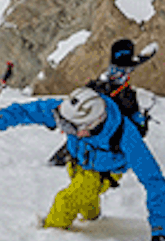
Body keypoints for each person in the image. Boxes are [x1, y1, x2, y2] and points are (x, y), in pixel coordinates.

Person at [0, 86, 165, 241]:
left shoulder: (128, 138)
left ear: (90, 126)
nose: (65, 130)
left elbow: (154, 182)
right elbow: (32, 110)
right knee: (84, 195)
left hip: (102, 174)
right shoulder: (70, 111)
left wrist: (159, 231)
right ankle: (93, 217)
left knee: (67, 201)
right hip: (77, 162)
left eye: (71, 128)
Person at [49, 38, 149, 166]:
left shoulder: (98, 87)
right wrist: (142, 121)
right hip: (101, 147)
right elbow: (138, 131)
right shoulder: (126, 97)